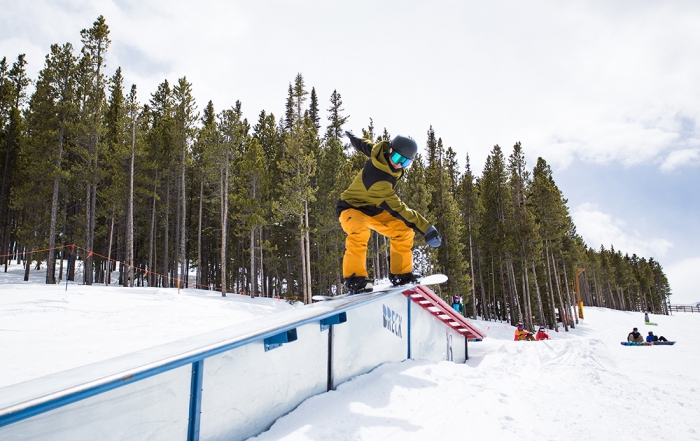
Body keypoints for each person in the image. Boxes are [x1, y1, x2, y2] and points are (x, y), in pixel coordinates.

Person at [337, 131, 441, 294]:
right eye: (398, 159)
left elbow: (366, 145)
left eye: (405, 162)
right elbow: (399, 208)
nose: (399, 165)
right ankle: (354, 278)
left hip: (374, 209)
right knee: (360, 231)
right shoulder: (378, 180)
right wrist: (426, 228)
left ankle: (401, 274)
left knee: (403, 231)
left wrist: (353, 138)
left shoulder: (379, 152)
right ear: (389, 152)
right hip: (351, 207)